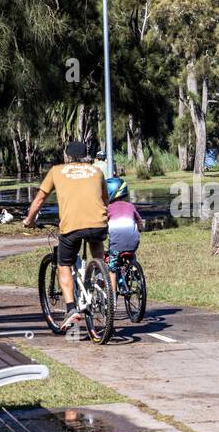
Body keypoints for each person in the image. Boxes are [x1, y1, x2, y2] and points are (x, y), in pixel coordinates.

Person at [23, 141, 108, 329]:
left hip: (72, 227)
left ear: (67, 156)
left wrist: (29, 220)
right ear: (87, 155)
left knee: (64, 264)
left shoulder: (56, 171)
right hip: (99, 224)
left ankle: (71, 308)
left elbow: (39, 199)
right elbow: (105, 199)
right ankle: (101, 277)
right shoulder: (96, 171)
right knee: (96, 243)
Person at [104, 175, 143, 290]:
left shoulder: (108, 209)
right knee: (131, 254)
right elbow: (139, 221)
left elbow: (102, 224)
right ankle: (134, 268)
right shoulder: (131, 206)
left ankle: (113, 297)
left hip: (116, 244)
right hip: (133, 242)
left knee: (112, 268)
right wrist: (139, 229)